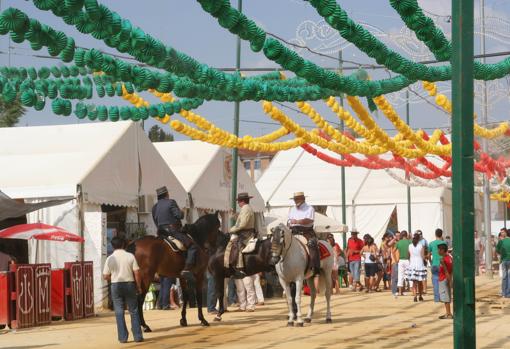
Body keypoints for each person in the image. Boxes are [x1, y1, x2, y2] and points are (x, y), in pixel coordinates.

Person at [103, 236, 143, 343]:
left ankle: (123, 337)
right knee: (133, 311)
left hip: (116, 285)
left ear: (113, 246)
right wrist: (138, 286)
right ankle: (138, 336)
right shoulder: (130, 256)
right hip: (130, 284)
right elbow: (137, 272)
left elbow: (105, 276)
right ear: (123, 245)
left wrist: (113, 278)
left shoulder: (110, 258)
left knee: (119, 312)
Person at [152, 186, 195, 278]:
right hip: (172, 231)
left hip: (160, 232)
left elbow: (155, 221)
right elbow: (179, 216)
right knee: (192, 246)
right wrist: (182, 211)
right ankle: (187, 269)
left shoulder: (154, 207)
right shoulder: (171, 202)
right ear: (167, 194)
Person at [287, 192, 320, 288]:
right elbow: (289, 221)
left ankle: (315, 267)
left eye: (297, 199)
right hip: (293, 231)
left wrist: (297, 221)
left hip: (306, 231)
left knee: (312, 244)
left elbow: (309, 220)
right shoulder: (292, 209)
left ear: (303, 199)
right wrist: (289, 224)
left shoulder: (310, 208)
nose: (296, 200)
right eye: (295, 199)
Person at [228, 192, 256, 278]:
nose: (238, 203)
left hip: (246, 233)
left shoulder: (246, 209)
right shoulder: (245, 208)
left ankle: (240, 269)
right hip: (245, 232)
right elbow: (242, 219)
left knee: (237, 245)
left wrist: (231, 229)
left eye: (239, 201)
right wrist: (233, 215)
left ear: (242, 201)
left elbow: (243, 224)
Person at [406, 233, 427, 302]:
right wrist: (425, 260)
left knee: (414, 282)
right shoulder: (421, 246)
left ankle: (415, 296)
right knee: (420, 281)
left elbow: (408, 255)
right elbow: (423, 256)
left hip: (412, 264)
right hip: (419, 264)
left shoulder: (409, 246)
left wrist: (410, 262)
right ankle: (420, 295)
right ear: (418, 239)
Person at [438, 243, 453, 319]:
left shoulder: (444, 259)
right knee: (446, 296)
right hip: (446, 278)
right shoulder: (449, 258)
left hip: (444, 279)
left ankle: (448, 313)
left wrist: (448, 279)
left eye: (439, 250)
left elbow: (446, 271)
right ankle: (448, 313)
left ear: (442, 250)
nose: (438, 251)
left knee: (445, 297)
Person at [428, 228, 444, 303]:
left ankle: (437, 299)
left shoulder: (431, 244)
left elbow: (428, 255)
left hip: (434, 264)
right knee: (442, 281)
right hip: (442, 264)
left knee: (435, 281)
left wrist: (430, 262)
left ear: (435, 234)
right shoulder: (444, 243)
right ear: (442, 234)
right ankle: (443, 297)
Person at [395, 230, 411, 296]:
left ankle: (399, 292)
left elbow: (393, 251)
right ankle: (413, 291)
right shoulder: (409, 242)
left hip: (401, 260)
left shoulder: (398, 242)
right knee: (410, 275)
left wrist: (396, 259)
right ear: (406, 235)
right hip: (408, 260)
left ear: (401, 235)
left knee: (400, 276)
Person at [496, 229, 510, 298]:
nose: (501, 234)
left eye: (502, 232)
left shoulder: (501, 241)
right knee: (508, 277)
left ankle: (504, 293)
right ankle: (508, 293)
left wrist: (501, 255)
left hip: (504, 260)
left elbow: (497, 251)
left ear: (506, 233)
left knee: (504, 277)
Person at [390, 231, 401, 296]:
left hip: (401, 261)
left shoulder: (401, 242)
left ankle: (400, 290)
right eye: (396, 235)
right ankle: (394, 291)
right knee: (395, 277)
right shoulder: (393, 242)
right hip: (395, 261)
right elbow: (388, 244)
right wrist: (394, 239)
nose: (398, 237)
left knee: (400, 277)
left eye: (399, 235)